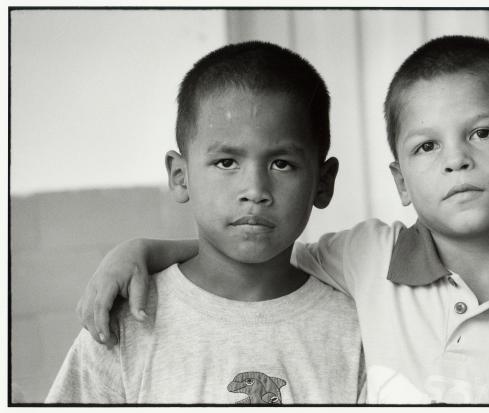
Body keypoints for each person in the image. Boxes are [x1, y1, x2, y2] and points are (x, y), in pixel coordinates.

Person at [76, 36, 489, 404]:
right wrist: (141, 249)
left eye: (481, 133)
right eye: (427, 145)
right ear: (401, 182)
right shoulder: (372, 259)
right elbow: (258, 255)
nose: (455, 160)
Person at [46, 41, 366, 404]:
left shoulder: (356, 330)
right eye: (227, 162)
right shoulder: (128, 321)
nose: (255, 190)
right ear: (181, 177)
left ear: (323, 183)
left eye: (282, 164)